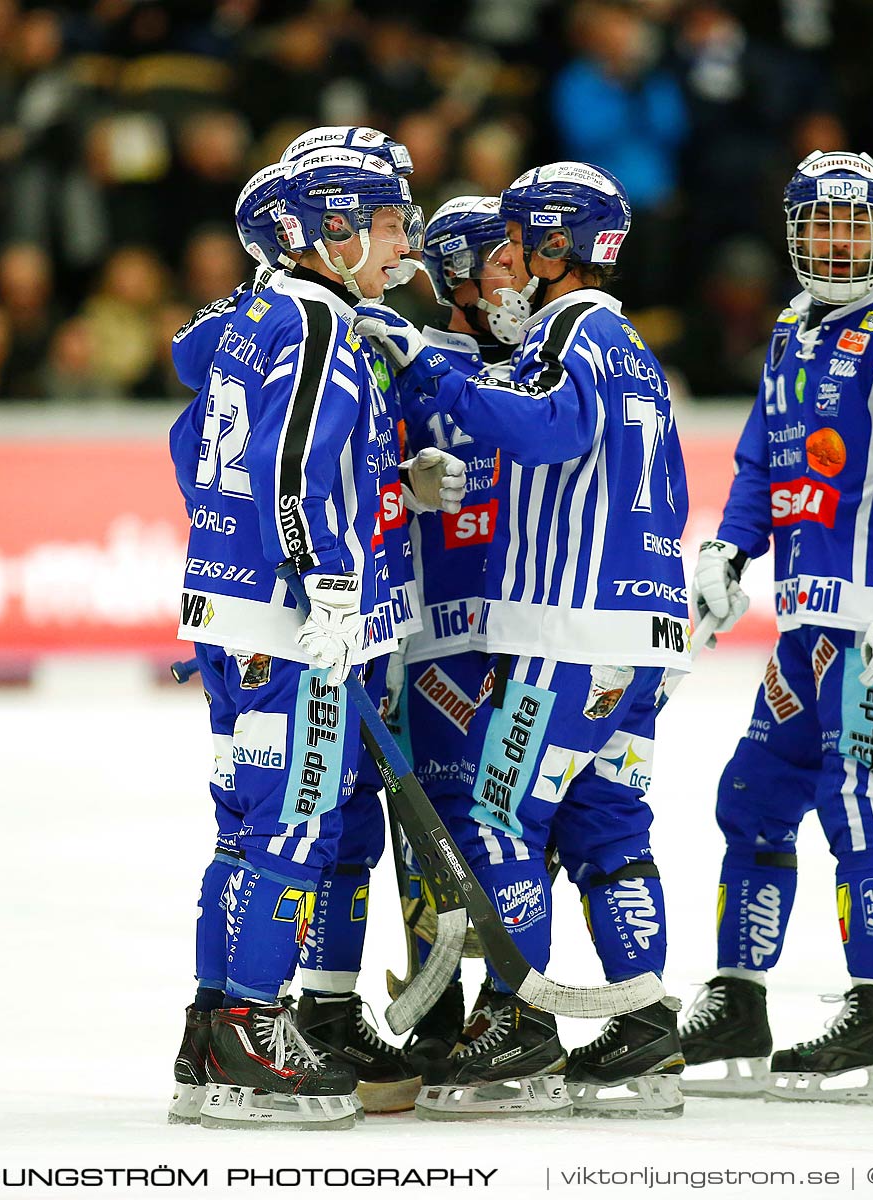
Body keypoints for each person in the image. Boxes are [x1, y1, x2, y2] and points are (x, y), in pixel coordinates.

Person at [356, 161, 690, 1119]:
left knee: (500, 819)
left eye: (516, 245)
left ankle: (519, 1022)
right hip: (642, 634)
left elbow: (546, 432)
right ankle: (643, 1029)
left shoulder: (569, 332)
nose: (503, 266)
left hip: (572, 629)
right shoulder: (626, 340)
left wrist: (423, 368)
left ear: (554, 248)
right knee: (611, 828)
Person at [677, 151, 873, 1105]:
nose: (840, 242)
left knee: (860, 800)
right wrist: (731, 549)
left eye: (858, 226)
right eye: (823, 224)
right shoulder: (790, 332)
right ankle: (738, 998)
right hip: (808, 626)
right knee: (753, 796)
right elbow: (765, 455)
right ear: (796, 232)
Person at [164, 145, 446, 1131]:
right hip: (292, 628)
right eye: (391, 222)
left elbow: (189, 445)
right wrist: (326, 578)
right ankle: (250, 1029)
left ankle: (209, 1032)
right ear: (336, 228)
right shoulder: (319, 317)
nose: (404, 242)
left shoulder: (252, 318)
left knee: (245, 824)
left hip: (232, 616)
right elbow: (294, 467)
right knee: (294, 824)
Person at [375, 195, 523, 1069]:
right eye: (501, 263)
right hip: (436, 636)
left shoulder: (557, 356)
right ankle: (443, 1018)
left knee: (517, 824)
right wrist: (403, 476)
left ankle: (512, 1013)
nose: (521, 277)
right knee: (433, 827)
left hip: (536, 630)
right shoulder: (407, 362)